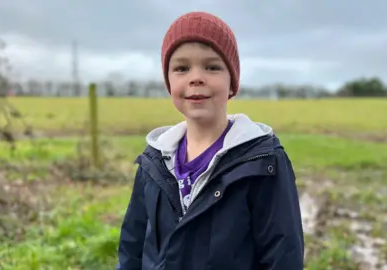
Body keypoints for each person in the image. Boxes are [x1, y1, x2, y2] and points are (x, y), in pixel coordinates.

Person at [116, 11, 304, 270]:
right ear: (169, 82)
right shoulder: (154, 160)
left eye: (212, 67)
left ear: (232, 83)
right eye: (181, 68)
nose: (196, 77)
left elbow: (283, 256)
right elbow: (132, 247)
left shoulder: (264, 161)